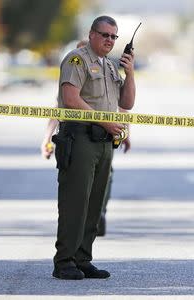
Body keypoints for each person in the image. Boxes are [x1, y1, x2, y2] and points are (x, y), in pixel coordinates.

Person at [52, 15, 136, 280]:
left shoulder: (110, 67)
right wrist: (105, 122)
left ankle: (82, 258)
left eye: (114, 36)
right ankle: (64, 260)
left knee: (94, 204)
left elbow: (128, 102)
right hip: (80, 139)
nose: (110, 40)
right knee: (75, 202)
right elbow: (70, 98)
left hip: (103, 142)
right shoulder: (77, 59)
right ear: (91, 35)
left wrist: (130, 73)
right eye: (105, 35)